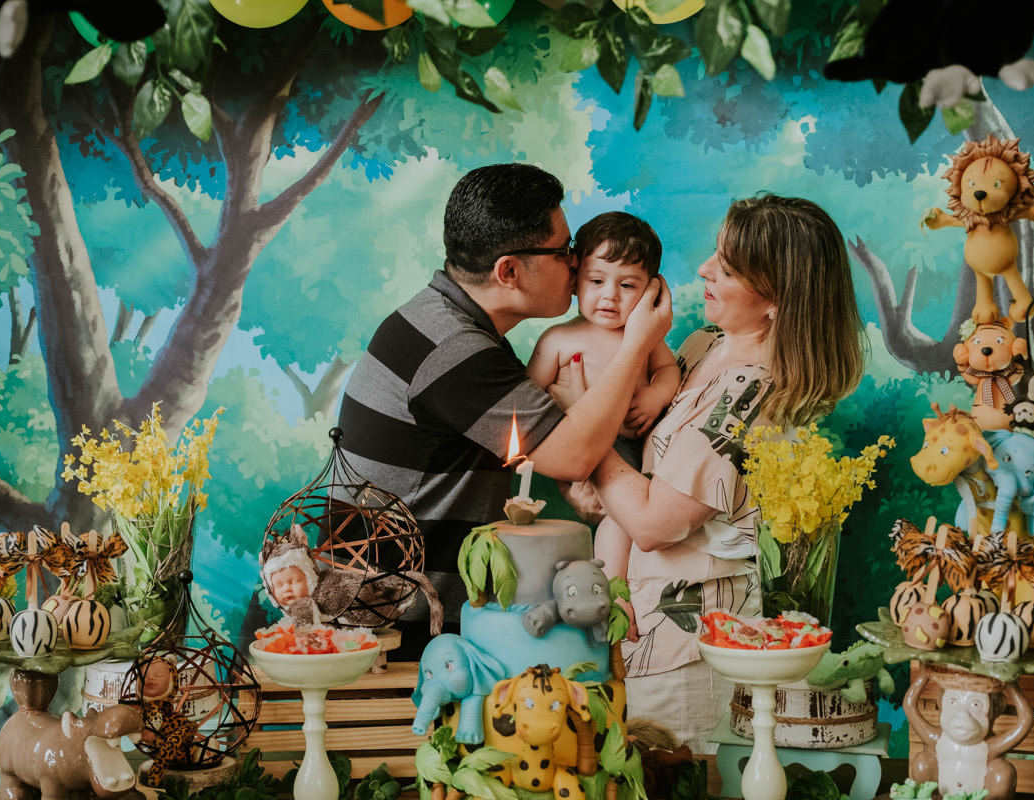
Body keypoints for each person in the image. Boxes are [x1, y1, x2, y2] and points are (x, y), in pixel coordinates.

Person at [561, 194, 865, 752]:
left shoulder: (754, 391)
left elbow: (654, 522)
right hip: (631, 625)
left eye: (724, 267)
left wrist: (584, 433)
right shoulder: (703, 346)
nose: (702, 269)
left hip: (683, 649)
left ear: (775, 300)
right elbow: (643, 471)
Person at [336, 164, 671, 656]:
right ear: (508, 271)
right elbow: (572, 455)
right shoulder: (454, 350)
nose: (576, 264)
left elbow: (538, 454)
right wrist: (639, 342)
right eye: (563, 252)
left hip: (407, 614)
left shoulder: (446, 325)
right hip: (395, 626)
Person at [527, 211, 681, 473]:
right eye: (597, 281)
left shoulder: (643, 334)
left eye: (628, 285)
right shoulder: (557, 339)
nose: (610, 295)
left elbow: (667, 370)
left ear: (649, 289)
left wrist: (656, 395)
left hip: (638, 444)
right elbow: (529, 400)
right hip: (575, 443)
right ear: (575, 280)